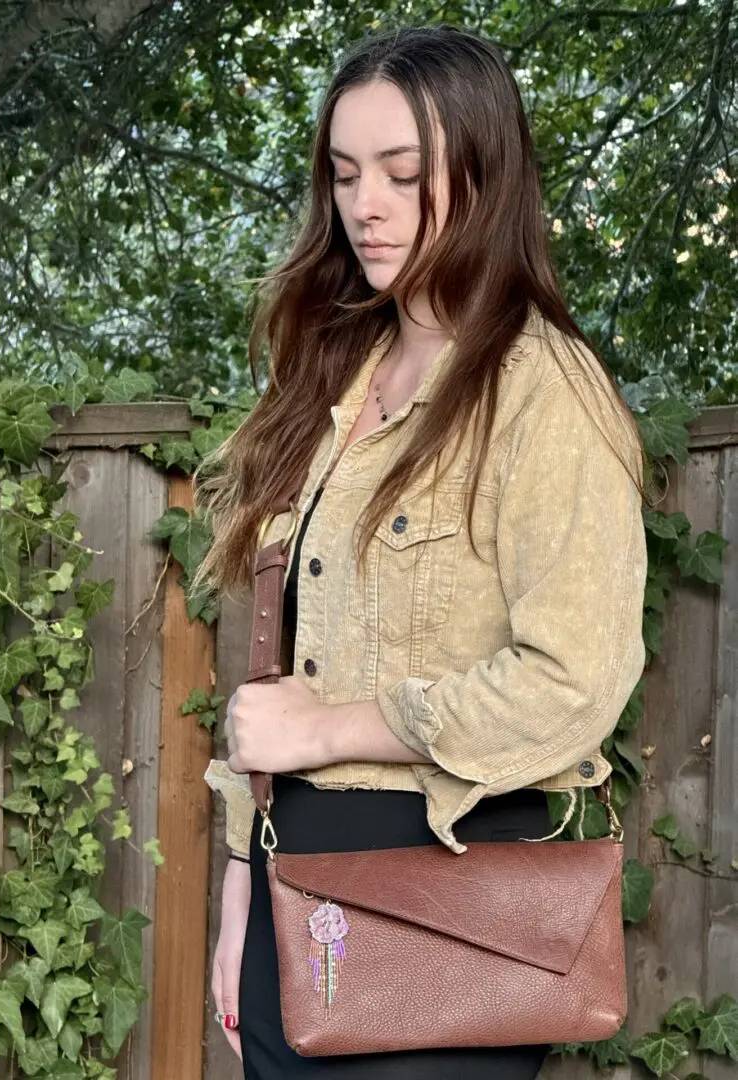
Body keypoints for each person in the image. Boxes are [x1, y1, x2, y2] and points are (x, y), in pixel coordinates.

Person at [195, 23, 648, 1080]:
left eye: (405, 172)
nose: (367, 204)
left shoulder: (547, 393)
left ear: (485, 176)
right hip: (290, 890)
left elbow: (573, 684)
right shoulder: (332, 379)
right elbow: (277, 675)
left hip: (449, 891)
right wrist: (237, 891)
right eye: (347, 173)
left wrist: (334, 729)